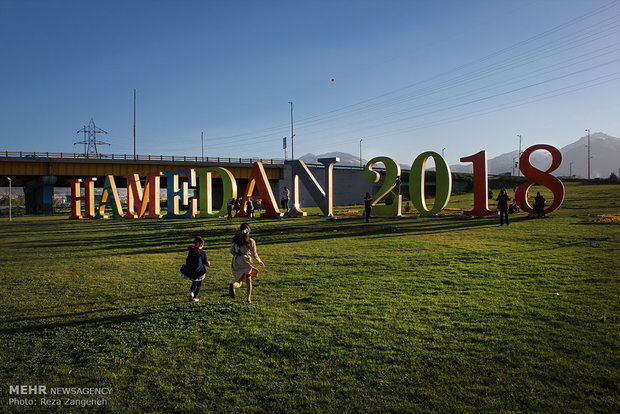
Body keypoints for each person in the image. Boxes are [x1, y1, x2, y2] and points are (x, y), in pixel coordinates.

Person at [229, 223, 264, 303]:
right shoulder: (250, 241)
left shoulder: (236, 240)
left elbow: (231, 250)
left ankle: (234, 285)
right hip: (245, 260)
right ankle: (248, 298)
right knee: (248, 280)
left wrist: (237, 256)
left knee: (239, 280)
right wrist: (259, 261)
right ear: (249, 231)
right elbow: (254, 254)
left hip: (236, 260)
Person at [180, 236, 210, 302]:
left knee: (194, 282)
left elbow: (188, 261)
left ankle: (191, 293)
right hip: (198, 272)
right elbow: (206, 263)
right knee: (199, 284)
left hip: (191, 271)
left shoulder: (191, 251)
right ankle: (195, 297)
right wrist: (209, 263)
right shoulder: (202, 252)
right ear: (201, 245)